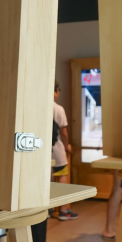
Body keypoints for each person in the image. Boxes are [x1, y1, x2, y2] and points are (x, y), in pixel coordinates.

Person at [51, 81, 77, 220]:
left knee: (47, 177)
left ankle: (46, 210)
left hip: (41, 149)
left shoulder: (38, 106)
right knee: (62, 175)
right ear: (55, 91)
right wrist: (67, 146)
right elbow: (63, 131)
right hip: (56, 148)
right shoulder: (58, 109)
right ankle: (64, 210)